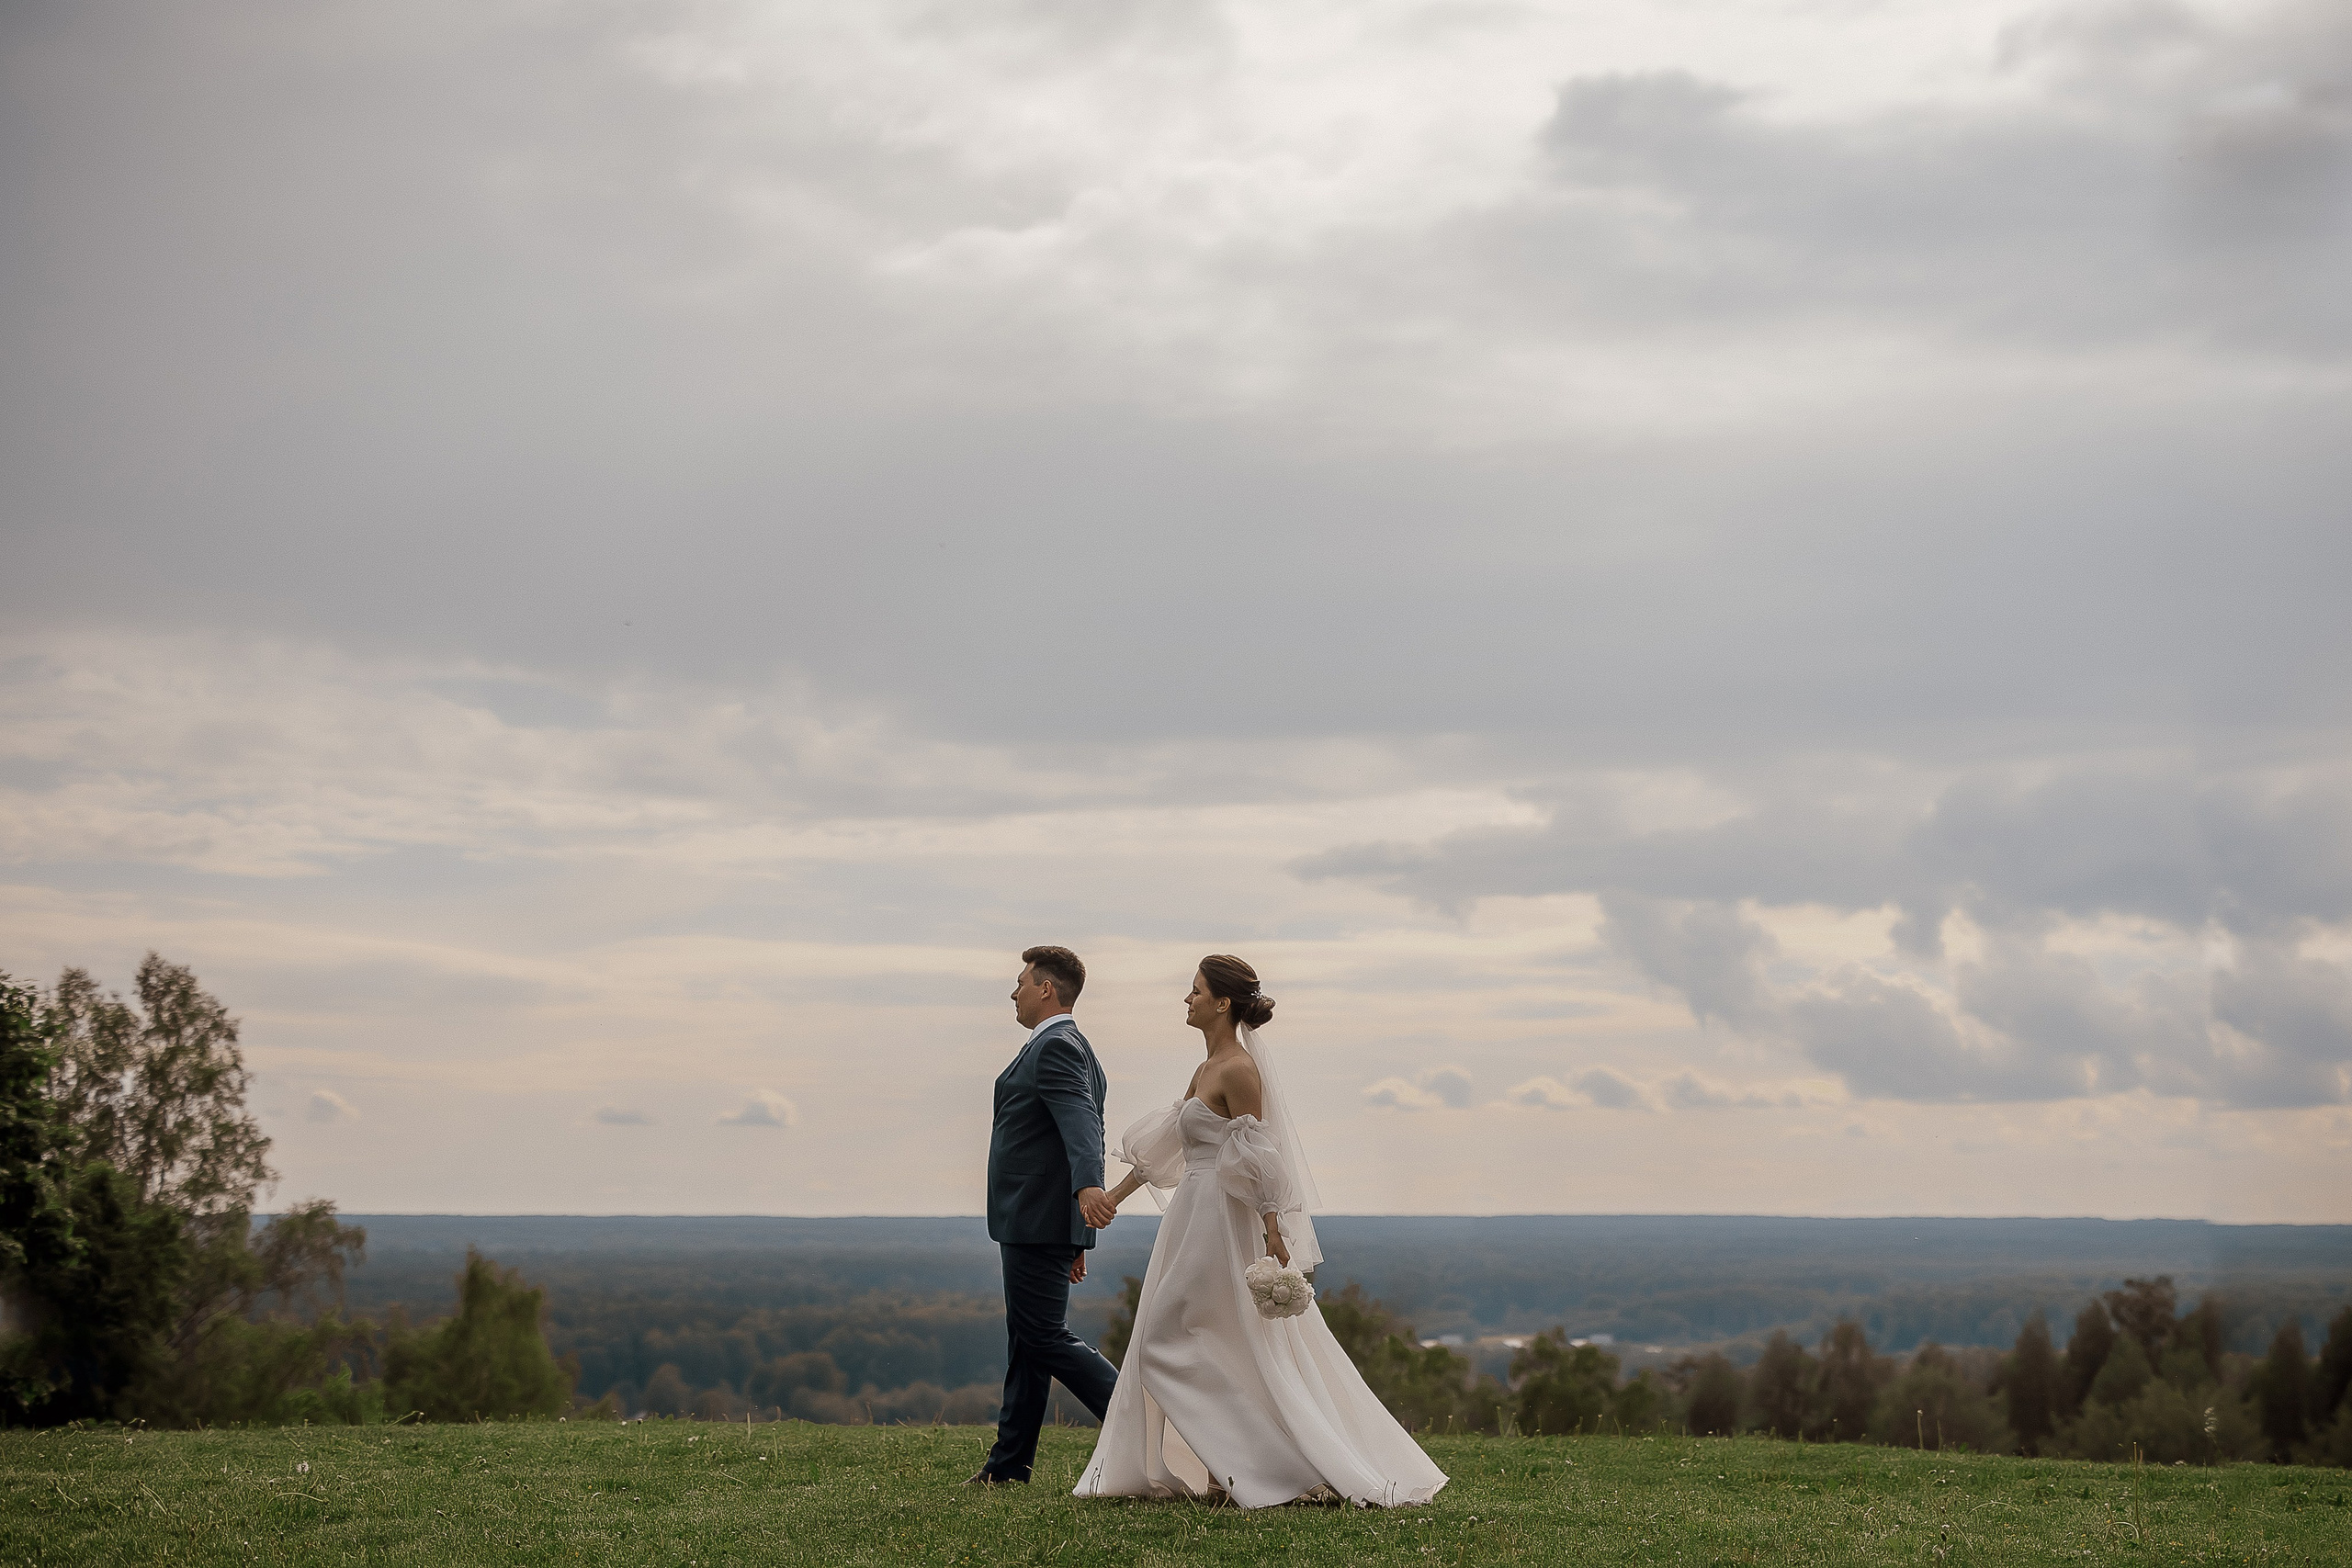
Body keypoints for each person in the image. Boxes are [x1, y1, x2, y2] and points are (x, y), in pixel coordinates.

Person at [1073, 955, 1447, 1509]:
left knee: (1166, 1338)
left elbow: (1258, 1154)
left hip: (1224, 1219)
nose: (1187, 999)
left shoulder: (1240, 1071)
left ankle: (1261, 1470)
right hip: (1190, 1219)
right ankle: (1234, 1472)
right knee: (1206, 1340)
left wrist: (1274, 1229)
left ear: (1222, 1003)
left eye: (1195, 990)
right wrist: (1113, 1199)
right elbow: (1171, 1145)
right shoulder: (1204, 1068)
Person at [967, 945, 1122, 1485]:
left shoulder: (1056, 1047)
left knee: (1041, 1337)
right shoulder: (1065, 1046)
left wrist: (1087, 1190)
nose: (1013, 992)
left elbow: (1082, 1123)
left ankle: (1141, 1426)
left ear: (1046, 989)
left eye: (1020, 982)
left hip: (1036, 1218)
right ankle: (1008, 1467)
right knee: (1027, 1342)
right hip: (1040, 1220)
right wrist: (1076, 1232)